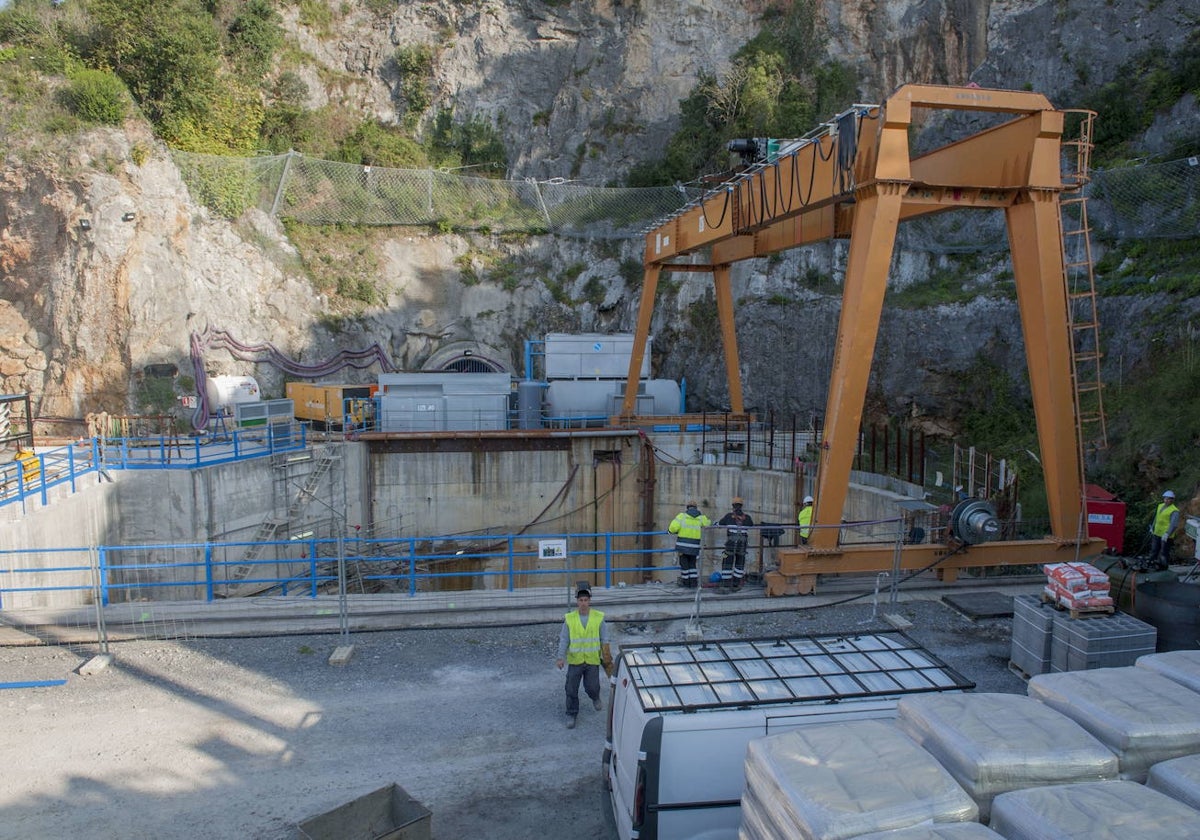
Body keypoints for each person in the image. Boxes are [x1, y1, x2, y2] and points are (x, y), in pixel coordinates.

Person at [555, 586, 613, 729]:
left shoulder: (598, 618)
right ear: (577, 601)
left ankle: (595, 697)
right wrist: (560, 657)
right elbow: (564, 639)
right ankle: (571, 713)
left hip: (592, 660)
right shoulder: (570, 619)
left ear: (589, 601)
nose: (583, 603)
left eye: (585, 600)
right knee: (571, 689)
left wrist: (607, 659)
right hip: (575, 661)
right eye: (580, 600)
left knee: (592, 687)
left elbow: (605, 639)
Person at [716, 497, 755, 591]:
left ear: (733, 506)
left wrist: (715, 523)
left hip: (730, 544)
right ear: (741, 506)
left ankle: (726, 584)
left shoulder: (728, 516)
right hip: (742, 545)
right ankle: (736, 584)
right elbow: (751, 525)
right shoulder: (747, 518)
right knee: (739, 564)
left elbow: (719, 524)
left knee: (727, 563)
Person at [668, 501, 710, 588]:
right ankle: (693, 584)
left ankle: (686, 583)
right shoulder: (701, 518)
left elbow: (673, 528)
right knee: (692, 565)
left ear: (687, 508)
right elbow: (708, 523)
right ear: (696, 508)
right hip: (694, 547)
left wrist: (669, 531)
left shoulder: (682, 516)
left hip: (683, 547)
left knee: (684, 566)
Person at [1148, 489, 1181, 569]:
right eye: (1165, 498)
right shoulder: (1160, 506)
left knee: (1164, 553)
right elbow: (1156, 518)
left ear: (1172, 500)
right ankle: (1151, 565)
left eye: (1169, 499)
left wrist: (1167, 534)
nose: (1166, 500)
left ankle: (1163, 567)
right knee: (1154, 551)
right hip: (1156, 533)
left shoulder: (1174, 511)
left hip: (1166, 536)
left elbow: (1174, 524)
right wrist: (1152, 527)